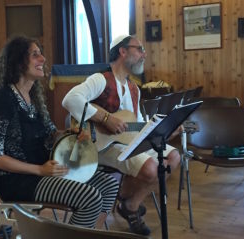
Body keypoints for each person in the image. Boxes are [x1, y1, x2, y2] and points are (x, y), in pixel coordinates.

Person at [0, 36, 119, 229]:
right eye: (35, 55)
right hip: (19, 180)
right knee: (89, 197)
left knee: (109, 185)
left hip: (45, 169)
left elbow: (50, 134)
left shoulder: (33, 97)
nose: (43, 59)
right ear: (18, 61)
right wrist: (39, 170)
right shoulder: (3, 100)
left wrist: (70, 134)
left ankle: (90, 233)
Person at [62, 34, 181, 235]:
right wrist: (105, 119)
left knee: (173, 156)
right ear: (122, 51)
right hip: (101, 146)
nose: (144, 54)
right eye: (139, 49)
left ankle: (130, 204)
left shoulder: (134, 88)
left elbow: (139, 124)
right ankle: (126, 199)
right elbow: (70, 99)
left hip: (127, 143)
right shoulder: (100, 79)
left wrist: (166, 129)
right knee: (152, 169)